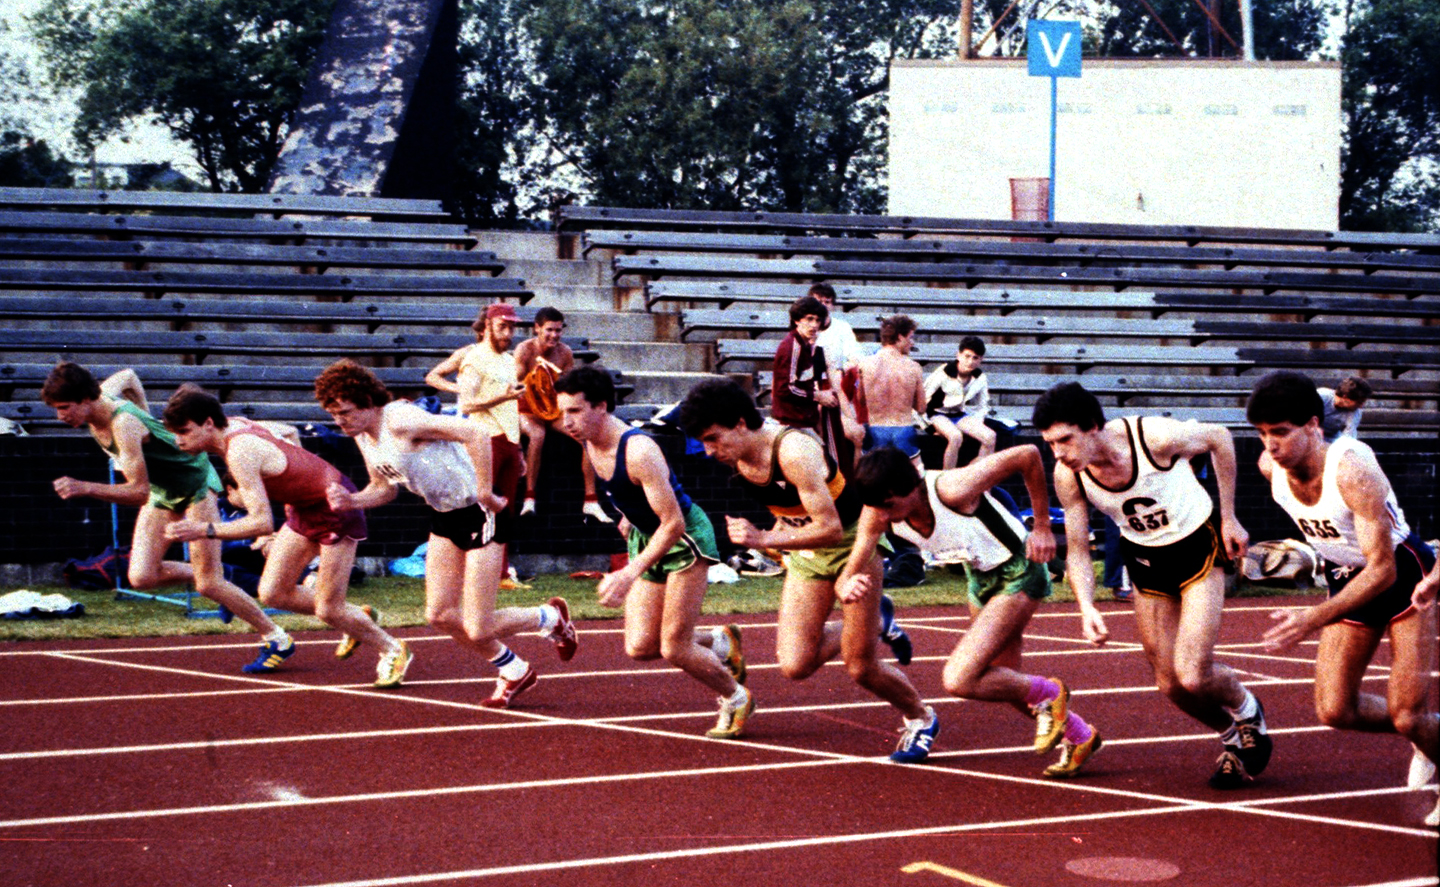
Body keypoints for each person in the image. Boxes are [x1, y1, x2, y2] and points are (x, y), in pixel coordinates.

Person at [677, 378, 934, 762]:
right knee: (795, 665)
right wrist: (777, 539)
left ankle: (921, 717)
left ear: (742, 423)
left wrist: (763, 540)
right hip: (809, 554)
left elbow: (830, 527)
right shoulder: (741, 459)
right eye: (705, 442)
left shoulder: (793, 449)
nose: (710, 451)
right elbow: (788, 510)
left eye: (714, 438)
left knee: (861, 666)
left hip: (851, 545)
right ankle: (877, 622)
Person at [1032, 382, 1271, 789]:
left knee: (1193, 674)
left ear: (1092, 426)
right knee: (1170, 684)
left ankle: (1248, 711)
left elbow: (1220, 437)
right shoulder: (1069, 475)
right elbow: (1076, 548)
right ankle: (1232, 737)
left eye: (1064, 440)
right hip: (1146, 561)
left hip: (1197, 546)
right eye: (1050, 444)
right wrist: (1087, 606)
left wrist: (1229, 515)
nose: (1059, 453)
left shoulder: (1154, 438)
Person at [314, 359, 578, 708]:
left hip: (479, 511)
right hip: (443, 516)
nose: (339, 422)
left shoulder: (402, 420)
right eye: (334, 416)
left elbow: (476, 433)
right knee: (439, 614)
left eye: (345, 413)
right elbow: (384, 488)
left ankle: (550, 617)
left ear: (367, 402)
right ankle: (514, 669)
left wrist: (485, 489)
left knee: (478, 626)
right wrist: (352, 500)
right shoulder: (364, 436)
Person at [840, 445, 1102, 777]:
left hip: (1020, 570)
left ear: (912, 486)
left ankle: (1052, 692)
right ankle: (1081, 736)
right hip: (979, 579)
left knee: (959, 678)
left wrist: (1042, 527)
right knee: (1004, 682)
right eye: (876, 507)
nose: (884, 516)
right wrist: (846, 585)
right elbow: (853, 565)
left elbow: (1028, 455)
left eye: (890, 506)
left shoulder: (952, 488)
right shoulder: (877, 511)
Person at [1246, 371, 1437, 824]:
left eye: (1280, 432)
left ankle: (1424, 732)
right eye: (1261, 434)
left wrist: (1314, 617)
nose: (1270, 445)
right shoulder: (1270, 467)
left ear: (1313, 425)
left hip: (1403, 574)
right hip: (1345, 575)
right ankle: (1432, 734)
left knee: (1408, 714)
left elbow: (1383, 568)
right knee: (1335, 709)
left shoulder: (1352, 467)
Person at [42, 363, 294, 673]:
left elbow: (137, 492)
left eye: (65, 408)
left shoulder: (124, 424)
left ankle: (277, 637)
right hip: (164, 491)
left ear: (85, 399)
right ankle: (219, 576)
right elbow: (130, 375)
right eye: (56, 409)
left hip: (195, 486)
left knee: (209, 584)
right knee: (142, 577)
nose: (60, 416)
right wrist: (151, 419)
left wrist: (85, 487)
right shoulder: (104, 394)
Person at [160, 386, 412, 687]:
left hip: (334, 508)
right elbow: (289, 433)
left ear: (209, 423)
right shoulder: (237, 424)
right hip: (304, 508)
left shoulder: (239, 451)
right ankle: (357, 617)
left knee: (329, 608)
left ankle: (393, 649)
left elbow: (262, 523)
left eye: (184, 431)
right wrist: (298, 478)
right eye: (174, 433)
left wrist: (204, 530)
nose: (178, 441)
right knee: (272, 592)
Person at [554, 365, 750, 736]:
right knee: (642, 647)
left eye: (575, 411)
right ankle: (722, 641)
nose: (567, 421)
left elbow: (674, 522)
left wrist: (629, 572)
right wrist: (627, 516)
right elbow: (623, 490)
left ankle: (738, 699)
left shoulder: (639, 448)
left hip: (684, 538)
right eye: (562, 412)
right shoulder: (590, 443)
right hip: (648, 535)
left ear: (602, 406)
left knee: (674, 646)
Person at [511, 306, 608, 521]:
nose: (554, 335)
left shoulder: (565, 353)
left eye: (558, 330)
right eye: (549, 330)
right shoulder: (524, 350)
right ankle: (529, 498)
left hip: (553, 410)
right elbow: (515, 385)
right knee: (537, 436)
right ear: (537, 328)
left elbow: (569, 389)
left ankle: (591, 501)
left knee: (585, 436)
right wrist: (534, 378)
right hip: (528, 409)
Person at [772, 294, 855, 475]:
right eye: (809, 319)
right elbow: (785, 389)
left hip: (802, 423)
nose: (814, 325)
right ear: (796, 320)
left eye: (817, 320)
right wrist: (819, 396)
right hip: (792, 425)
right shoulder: (792, 346)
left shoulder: (805, 346)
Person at [858, 315, 926, 460]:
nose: (912, 343)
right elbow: (921, 408)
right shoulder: (913, 367)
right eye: (910, 337)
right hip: (903, 430)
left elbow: (861, 400)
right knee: (914, 478)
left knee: (871, 477)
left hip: (875, 429)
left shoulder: (865, 364)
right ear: (900, 337)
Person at [923, 336, 996, 469]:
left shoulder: (980, 377)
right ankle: (947, 479)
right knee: (955, 437)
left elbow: (983, 405)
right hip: (937, 414)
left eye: (975, 358)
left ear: (981, 360)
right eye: (967, 356)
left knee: (990, 437)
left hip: (959, 414)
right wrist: (928, 427)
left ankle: (977, 477)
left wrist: (977, 423)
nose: (970, 361)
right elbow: (922, 399)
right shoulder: (943, 372)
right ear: (958, 355)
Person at [1317, 376, 1372, 442]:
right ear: (1345, 397)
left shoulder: (1355, 412)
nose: (1361, 406)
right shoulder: (1321, 396)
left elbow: (1349, 438)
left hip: (1331, 440)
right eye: (1359, 402)